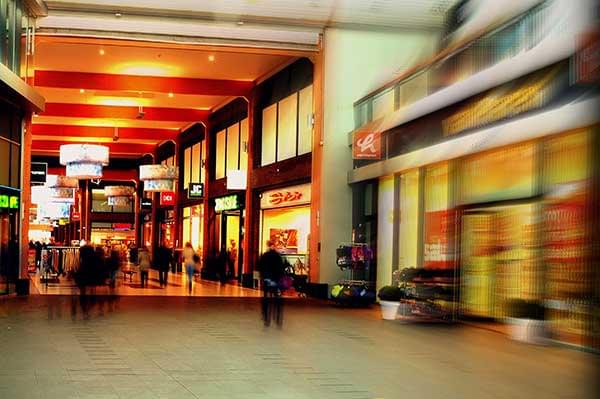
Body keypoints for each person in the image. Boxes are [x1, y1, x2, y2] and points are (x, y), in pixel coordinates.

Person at [257, 240, 285, 327]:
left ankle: (266, 317)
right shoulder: (278, 256)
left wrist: (262, 277)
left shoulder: (265, 255)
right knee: (276, 296)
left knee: (266, 297)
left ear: (268, 246)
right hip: (276, 279)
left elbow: (260, 267)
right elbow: (281, 268)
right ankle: (277, 316)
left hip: (267, 279)